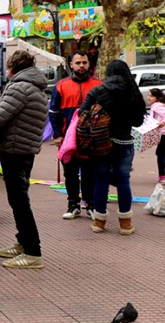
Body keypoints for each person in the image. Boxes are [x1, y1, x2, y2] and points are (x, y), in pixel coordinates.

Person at [0, 51, 48, 269]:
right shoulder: (35, 87)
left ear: (12, 67)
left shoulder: (19, 87)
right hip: (24, 150)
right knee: (18, 199)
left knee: (20, 201)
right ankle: (23, 242)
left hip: (15, 149)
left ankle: (33, 251)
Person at [79, 60, 145, 236]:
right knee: (123, 180)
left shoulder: (98, 90)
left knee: (101, 180)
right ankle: (125, 224)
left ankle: (99, 222)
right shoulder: (133, 91)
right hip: (124, 142)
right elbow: (139, 121)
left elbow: (82, 113)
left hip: (101, 142)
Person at [49, 50, 102, 219]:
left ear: (89, 64)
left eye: (84, 62)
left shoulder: (98, 85)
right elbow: (53, 112)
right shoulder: (61, 86)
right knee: (70, 173)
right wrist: (57, 135)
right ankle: (73, 205)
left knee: (89, 173)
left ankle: (91, 205)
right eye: (78, 63)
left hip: (91, 138)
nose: (81, 66)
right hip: (67, 138)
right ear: (71, 64)